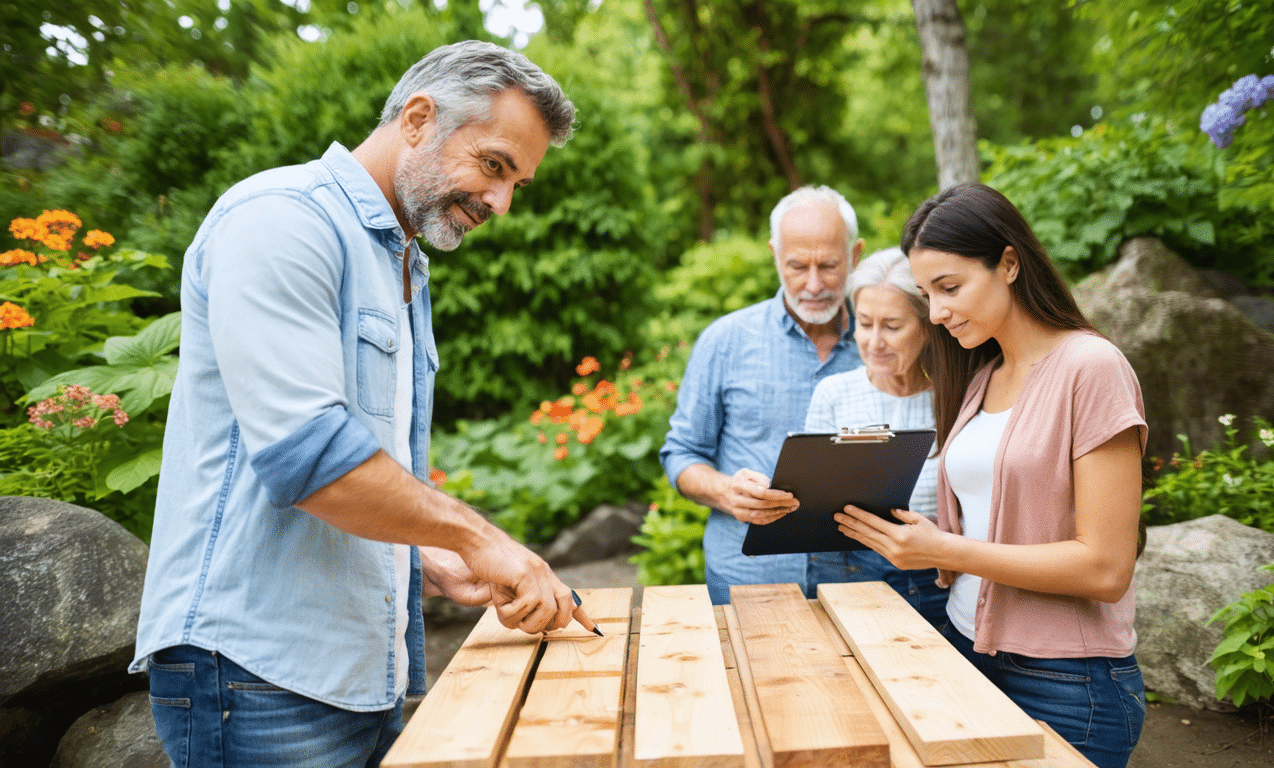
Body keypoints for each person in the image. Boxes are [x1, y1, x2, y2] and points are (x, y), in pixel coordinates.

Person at [131, 41, 595, 768]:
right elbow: (311, 457)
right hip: (254, 677)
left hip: (352, 680)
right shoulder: (282, 222)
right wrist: (481, 538)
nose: (501, 203)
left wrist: (428, 557)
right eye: (494, 166)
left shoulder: (400, 260)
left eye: (517, 185)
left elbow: (367, 467)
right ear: (417, 119)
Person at [834, 183, 1147, 767]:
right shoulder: (982, 376)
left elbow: (1106, 567)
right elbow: (992, 520)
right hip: (965, 647)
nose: (937, 312)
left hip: (1065, 680)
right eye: (927, 293)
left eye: (950, 287)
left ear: (1009, 263)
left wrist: (944, 547)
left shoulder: (1091, 368)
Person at [660, 185, 865, 605]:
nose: (813, 284)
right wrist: (724, 491)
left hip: (862, 578)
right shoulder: (726, 340)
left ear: (856, 255)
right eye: (796, 266)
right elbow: (681, 453)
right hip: (748, 577)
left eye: (828, 265)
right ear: (774, 255)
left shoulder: (885, 343)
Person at [801, 248, 948, 628]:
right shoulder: (833, 393)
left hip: (938, 579)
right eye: (865, 324)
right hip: (848, 572)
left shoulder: (954, 399)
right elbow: (810, 498)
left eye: (893, 326)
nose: (875, 342)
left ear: (927, 326)